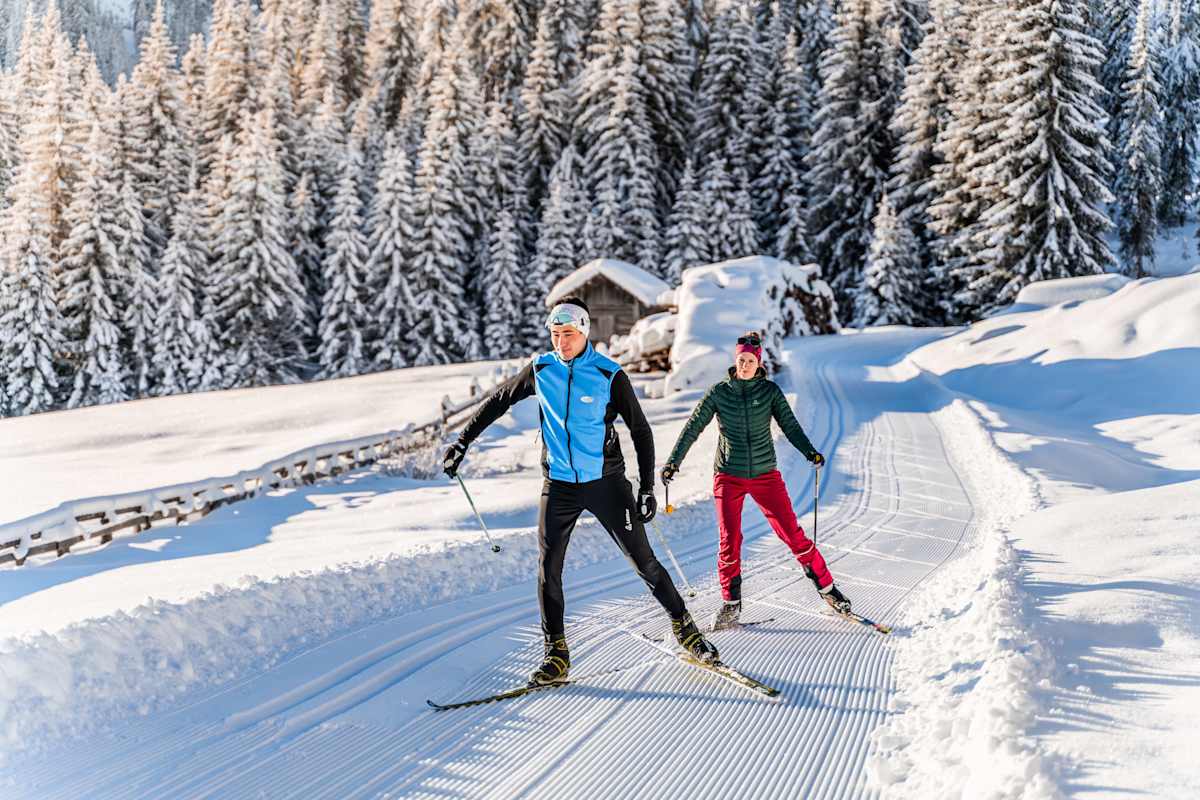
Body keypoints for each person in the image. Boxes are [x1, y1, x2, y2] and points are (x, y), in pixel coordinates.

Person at [443, 296, 719, 685]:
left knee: (644, 561)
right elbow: (499, 400)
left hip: (606, 483)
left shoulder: (608, 374)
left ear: (584, 331)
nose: (561, 342)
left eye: (568, 334)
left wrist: (645, 486)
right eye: (555, 334)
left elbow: (640, 430)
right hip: (558, 485)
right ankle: (556, 654)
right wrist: (462, 442)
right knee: (547, 568)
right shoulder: (541, 369)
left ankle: (685, 628)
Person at [660, 331, 851, 631]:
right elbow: (693, 426)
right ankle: (731, 604)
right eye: (741, 360)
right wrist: (674, 462)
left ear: (758, 363)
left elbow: (790, 426)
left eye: (750, 361)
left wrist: (809, 452)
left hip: (765, 475)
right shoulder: (718, 392)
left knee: (792, 533)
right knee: (729, 540)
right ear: (735, 361)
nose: (745, 365)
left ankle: (828, 590)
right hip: (728, 475)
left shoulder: (771, 392)